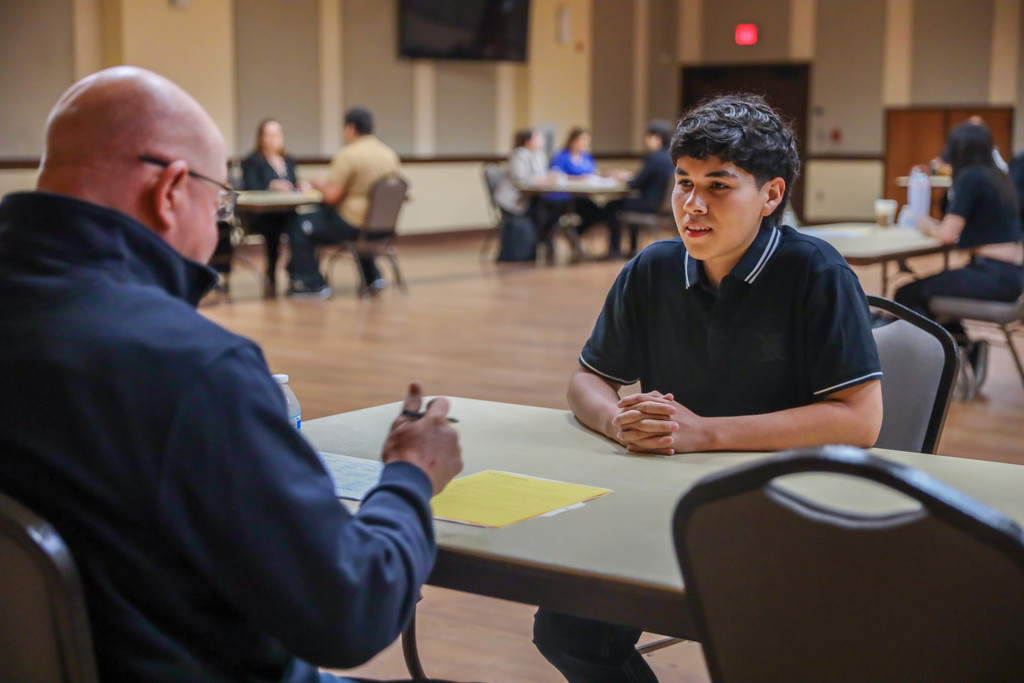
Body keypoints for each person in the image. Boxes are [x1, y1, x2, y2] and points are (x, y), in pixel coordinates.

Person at [0, 66, 467, 683]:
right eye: (220, 202)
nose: (219, 224)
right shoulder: (189, 367)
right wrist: (410, 475)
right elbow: (352, 611)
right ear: (170, 189)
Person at [532, 93, 883, 683]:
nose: (692, 205)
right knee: (568, 629)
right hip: (668, 502)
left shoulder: (816, 273)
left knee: (757, 645)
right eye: (683, 183)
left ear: (770, 196)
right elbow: (587, 379)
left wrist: (706, 433)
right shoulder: (652, 270)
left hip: (786, 506)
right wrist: (616, 419)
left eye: (718, 186)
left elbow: (859, 420)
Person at [896, 122, 1024, 381]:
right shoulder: (998, 176)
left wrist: (925, 225)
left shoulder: (971, 177)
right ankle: (964, 347)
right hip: (1009, 276)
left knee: (906, 293)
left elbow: (947, 234)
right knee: (934, 289)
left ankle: (933, 368)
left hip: (991, 276)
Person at [289, 107, 401, 297]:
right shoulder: (389, 155)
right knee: (356, 225)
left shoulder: (349, 155)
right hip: (380, 227)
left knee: (300, 224)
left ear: (350, 128)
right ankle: (372, 277)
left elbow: (332, 196)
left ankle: (311, 284)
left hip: (353, 224)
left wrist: (318, 184)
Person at [241, 118, 302, 297]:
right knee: (274, 225)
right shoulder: (252, 161)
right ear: (262, 138)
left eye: (278, 133)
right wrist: (272, 186)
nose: (276, 138)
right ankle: (272, 273)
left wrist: (300, 186)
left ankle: (298, 272)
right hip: (262, 214)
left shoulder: (289, 160)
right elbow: (250, 187)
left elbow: (294, 184)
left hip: (287, 212)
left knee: (302, 224)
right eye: (271, 134)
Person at [603, 119, 676, 258]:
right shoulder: (671, 157)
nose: (646, 141)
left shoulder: (654, 158)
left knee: (611, 206)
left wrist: (624, 177)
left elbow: (635, 184)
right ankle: (632, 248)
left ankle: (614, 250)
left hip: (649, 205)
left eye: (648, 137)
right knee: (630, 203)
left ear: (656, 137)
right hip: (662, 206)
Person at [542, 127, 604, 251]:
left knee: (598, 213)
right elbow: (556, 175)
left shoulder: (586, 157)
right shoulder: (562, 156)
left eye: (587, 140)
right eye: (582, 140)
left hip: (581, 196)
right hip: (563, 196)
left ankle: (575, 234)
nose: (585, 143)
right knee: (555, 215)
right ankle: (554, 238)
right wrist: (578, 179)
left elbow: (595, 172)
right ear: (573, 141)